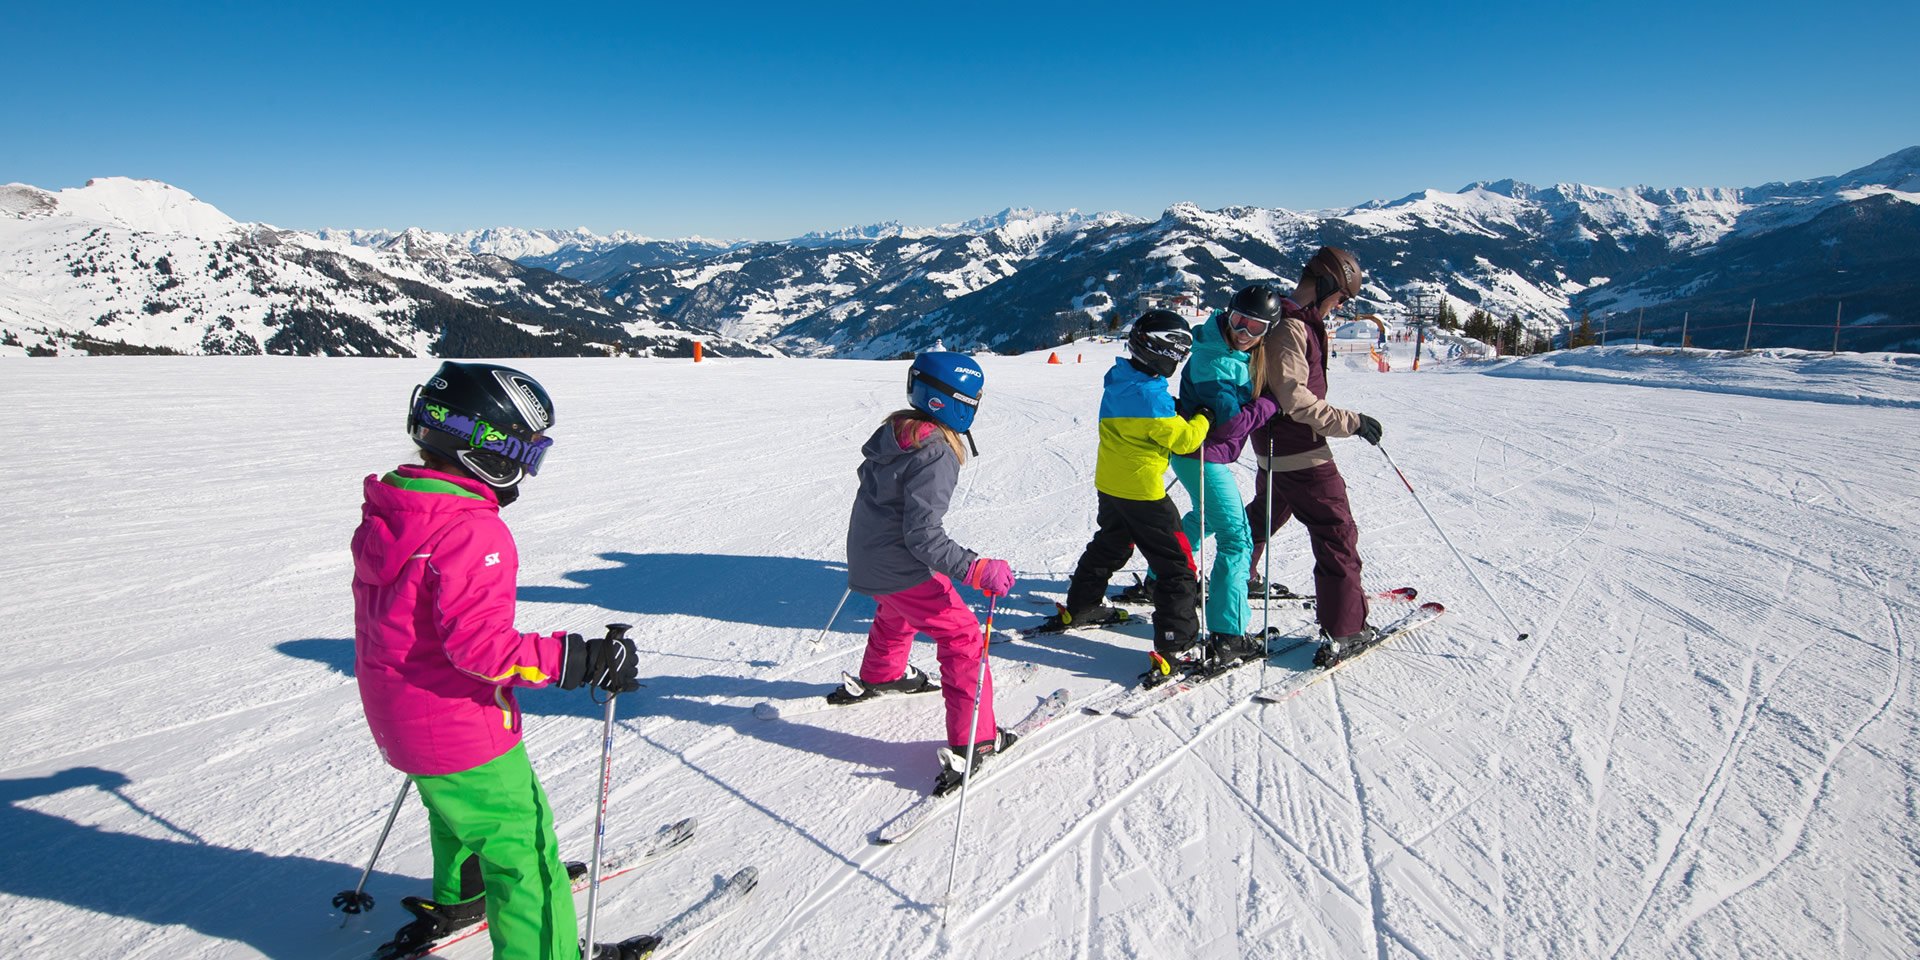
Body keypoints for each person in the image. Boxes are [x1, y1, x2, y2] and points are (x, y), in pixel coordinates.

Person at [353, 361, 647, 960]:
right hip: (461, 726)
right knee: (525, 851)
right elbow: (480, 649)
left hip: (401, 715)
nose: (526, 471)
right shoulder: (470, 531)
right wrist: (579, 659)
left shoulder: (398, 508)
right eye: (525, 454)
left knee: (456, 810)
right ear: (486, 449)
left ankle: (461, 893)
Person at [844, 352, 1017, 796]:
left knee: (898, 607)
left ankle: (882, 673)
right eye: (974, 397)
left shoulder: (897, 431)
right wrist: (977, 568)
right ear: (954, 401)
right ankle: (976, 738)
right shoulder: (937, 451)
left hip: (869, 556)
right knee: (961, 637)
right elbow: (923, 536)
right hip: (897, 561)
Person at [1049, 310, 1210, 672]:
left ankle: (1083, 604)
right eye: (1179, 354)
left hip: (1111, 485)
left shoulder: (1120, 379)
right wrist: (1203, 417)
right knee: (1176, 565)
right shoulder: (1152, 399)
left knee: (1111, 542)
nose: (1180, 360)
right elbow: (1185, 440)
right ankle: (1176, 642)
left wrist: (1175, 409)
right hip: (1144, 493)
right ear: (1162, 352)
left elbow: (1149, 414)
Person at [1245, 246, 1386, 651]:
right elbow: (1296, 400)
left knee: (1265, 513)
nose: (1339, 306)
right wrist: (1353, 422)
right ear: (1325, 286)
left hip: (1274, 449)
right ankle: (1345, 628)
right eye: (1340, 297)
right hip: (1300, 453)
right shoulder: (1291, 327)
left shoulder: (1288, 320)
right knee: (1335, 531)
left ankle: (1238, 578)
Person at [1168, 285, 1282, 665]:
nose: (1244, 333)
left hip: (1195, 454)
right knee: (1237, 539)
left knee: (1204, 519)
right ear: (1227, 314)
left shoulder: (1226, 349)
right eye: (1239, 322)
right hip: (1204, 455)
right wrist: (1268, 403)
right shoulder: (1213, 360)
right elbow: (1232, 425)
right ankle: (1228, 632)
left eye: (1255, 328)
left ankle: (1162, 573)